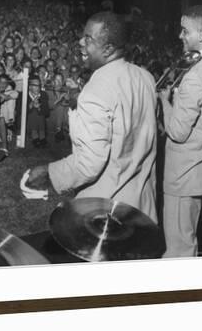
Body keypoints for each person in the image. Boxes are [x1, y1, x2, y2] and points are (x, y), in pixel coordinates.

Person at [23, 12, 158, 223]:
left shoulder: (96, 89)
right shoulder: (146, 77)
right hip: (141, 206)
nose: (80, 42)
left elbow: (89, 164)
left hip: (105, 211)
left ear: (108, 49)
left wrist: (49, 173)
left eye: (88, 38)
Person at [158, 5, 202, 257]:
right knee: (189, 241)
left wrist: (165, 102)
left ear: (201, 33)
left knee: (179, 249)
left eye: (184, 30)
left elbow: (177, 132)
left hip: (182, 175)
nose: (180, 36)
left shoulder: (195, 75)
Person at [27, 75, 49, 147]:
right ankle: (35, 136)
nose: (38, 88)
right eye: (35, 85)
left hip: (40, 123)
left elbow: (46, 112)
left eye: (39, 85)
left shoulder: (43, 95)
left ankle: (42, 136)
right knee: (33, 111)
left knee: (39, 111)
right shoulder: (24, 95)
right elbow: (21, 112)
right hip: (28, 123)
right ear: (29, 87)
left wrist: (39, 108)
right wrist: (31, 105)